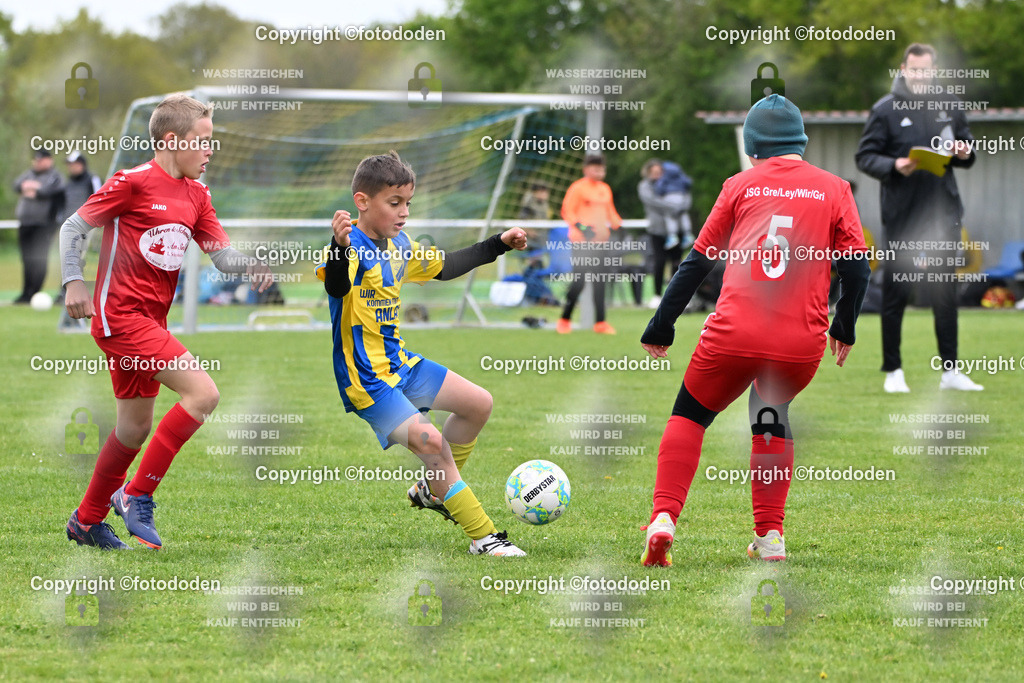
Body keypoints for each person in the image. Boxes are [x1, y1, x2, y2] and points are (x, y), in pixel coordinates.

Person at [639, 94, 870, 567]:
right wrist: (843, 328)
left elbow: (697, 262)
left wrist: (661, 326)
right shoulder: (834, 188)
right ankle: (770, 538)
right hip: (798, 343)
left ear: (753, 147)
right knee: (770, 415)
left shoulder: (739, 185)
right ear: (799, 143)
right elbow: (857, 269)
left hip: (733, 333)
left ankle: (664, 519)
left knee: (689, 416)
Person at [61, 94, 272, 550]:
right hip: (121, 318)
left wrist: (253, 264)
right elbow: (73, 228)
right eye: (204, 141)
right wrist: (73, 282)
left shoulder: (198, 194)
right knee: (204, 393)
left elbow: (219, 252)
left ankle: (86, 521)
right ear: (172, 140)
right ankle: (136, 494)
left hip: (149, 324)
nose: (210, 150)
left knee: (133, 429)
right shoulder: (131, 182)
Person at [316, 151, 530, 557]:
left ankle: (434, 491)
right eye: (394, 204)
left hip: (401, 364)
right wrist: (338, 246)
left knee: (478, 404)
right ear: (362, 202)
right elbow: (337, 289)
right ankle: (485, 539)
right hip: (368, 381)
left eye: (408, 203)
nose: (404, 213)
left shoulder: (400, 245)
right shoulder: (349, 248)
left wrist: (497, 244)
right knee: (431, 442)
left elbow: (446, 267)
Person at [855, 43, 982, 393]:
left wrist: (964, 151)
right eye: (915, 70)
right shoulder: (885, 109)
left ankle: (950, 372)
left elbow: (968, 151)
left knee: (945, 296)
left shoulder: (950, 105)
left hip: (943, 215)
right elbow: (865, 156)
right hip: (903, 218)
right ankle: (893, 371)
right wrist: (894, 165)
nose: (921, 76)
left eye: (927, 70)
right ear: (904, 68)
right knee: (897, 294)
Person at [556, 154, 623, 334]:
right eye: (596, 168)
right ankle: (564, 320)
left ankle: (600, 323)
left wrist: (619, 225)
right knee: (579, 281)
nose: (599, 172)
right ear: (586, 170)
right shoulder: (577, 188)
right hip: (582, 243)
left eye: (602, 169)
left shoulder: (605, 189)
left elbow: (612, 214)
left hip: (601, 243)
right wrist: (582, 226)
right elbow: (567, 211)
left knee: (600, 281)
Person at [12, 149, 65, 303]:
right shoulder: (29, 174)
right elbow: (17, 185)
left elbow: (46, 191)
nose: (38, 163)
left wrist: (32, 188)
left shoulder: (55, 176)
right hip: (26, 223)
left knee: (39, 258)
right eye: (36, 160)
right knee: (27, 259)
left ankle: (35, 291)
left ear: (49, 160)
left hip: (44, 225)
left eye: (41, 160)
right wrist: (32, 186)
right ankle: (25, 293)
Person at [638, 159, 684, 308]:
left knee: (676, 261)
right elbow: (652, 202)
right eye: (654, 172)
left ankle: (675, 295)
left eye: (660, 172)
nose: (657, 175)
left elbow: (682, 198)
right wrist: (672, 206)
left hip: (675, 229)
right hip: (657, 230)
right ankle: (657, 295)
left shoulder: (672, 183)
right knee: (660, 261)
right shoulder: (644, 186)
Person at [654, 160, 694, 251]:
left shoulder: (665, 176)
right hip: (681, 197)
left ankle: (672, 237)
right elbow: (688, 182)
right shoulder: (679, 175)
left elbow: (659, 188)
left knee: (670, 217)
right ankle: (688, 235)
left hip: (669, 198)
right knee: (683, 216)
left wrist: (658, 192)